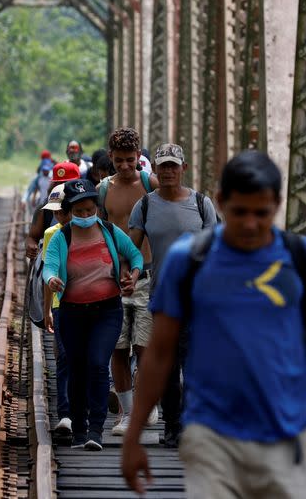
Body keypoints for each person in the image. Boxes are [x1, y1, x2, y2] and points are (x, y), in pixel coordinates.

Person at [121, 151, 306, 497]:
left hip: (283, 432)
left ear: (278, 205)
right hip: (211, 438)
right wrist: (133, 437)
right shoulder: (188, 261)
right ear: (221, 202)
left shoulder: (303, 260)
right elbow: (159, 355)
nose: (251, 224)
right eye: (239, 213)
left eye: (262, 213)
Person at [127, 143, 218, 448]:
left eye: (172, 166)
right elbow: (132, 249)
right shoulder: (146, 206)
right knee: (167, 366)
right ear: (154, 169)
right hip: (163, 299)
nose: (167, 171)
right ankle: (172, 425)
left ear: (184, 169)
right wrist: (130, 273)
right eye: (162, 166)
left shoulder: (201, 204)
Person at [43, 179, 144, 451]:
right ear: (70, 212)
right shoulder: (62, 237)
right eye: (79, 212)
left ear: (97, 209)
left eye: (90, 210)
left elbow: (135, 256)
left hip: (107, 310)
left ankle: (96, 431)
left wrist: (133, 277)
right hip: (72, 312)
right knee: (76, 369)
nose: (86, 216)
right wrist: (53, 279)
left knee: (98, 364)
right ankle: (78, 429)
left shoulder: (110, 231)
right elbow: (49, 267)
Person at [97, 127, 159, 436]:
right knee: (118, 349)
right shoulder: (104, 189)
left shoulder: (150, 184)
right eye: (119, 160)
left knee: (144, 346)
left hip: (146, 276)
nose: (124, 166)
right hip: (113, 278)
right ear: (110, 157)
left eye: (130, 161)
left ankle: (148, 403)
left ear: (139, 158)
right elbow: (95, 231)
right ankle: (127, 414)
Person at [41, 184, 73, 437]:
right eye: (55, 212)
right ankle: (65, 413)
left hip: (88, 303)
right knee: (63, 358)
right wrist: (46, 309)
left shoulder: (93, 230)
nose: (58, 216)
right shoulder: (52, 234)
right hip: (61, 305)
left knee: (85, 360)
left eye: (62, 211)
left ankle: (80, 411)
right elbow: (47, 273)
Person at [25, 161, 80, 260]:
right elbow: (32, 237)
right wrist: (31, 246)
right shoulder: (45, 208)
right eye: (59, 184)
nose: (63, 188)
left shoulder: (86, 205)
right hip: (52, 258)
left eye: (67, 184)